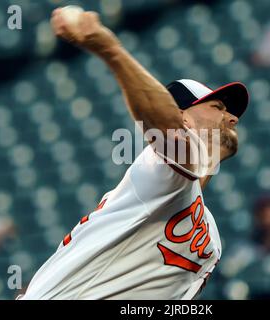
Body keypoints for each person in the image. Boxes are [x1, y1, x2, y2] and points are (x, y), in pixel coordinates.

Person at [19, 8, 249, 300]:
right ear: (183, 118)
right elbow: (167, 130)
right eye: (217, 108)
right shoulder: (158, 170)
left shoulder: (213, 240)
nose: (232, 118)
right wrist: (108, 49)